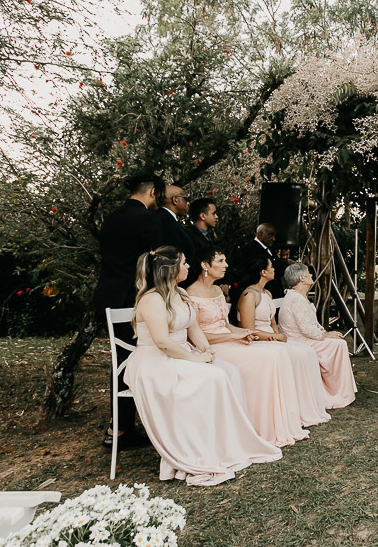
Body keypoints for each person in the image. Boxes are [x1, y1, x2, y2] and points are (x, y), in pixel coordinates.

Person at [123, 246, 282, 485]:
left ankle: (227, 443)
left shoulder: (181, 294)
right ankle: (200, 448)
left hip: (182, 353)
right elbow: (163, 342)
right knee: (213, 377)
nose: (188, 266)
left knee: (228, 370)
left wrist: (206, 350)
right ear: (170, 269)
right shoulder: (151, 299)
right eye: (184, 263)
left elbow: (194, 328)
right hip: (156, 361)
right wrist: (196, 359)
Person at [187, 248, 309, 447]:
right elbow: (194, 335)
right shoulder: (190, 294)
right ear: (205, 265)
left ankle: (273, 423)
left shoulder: (218, 290)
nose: (226, 265)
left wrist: (241, 332)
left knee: (276, 353)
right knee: (268, 357)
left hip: (228, 339)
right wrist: (232, 336)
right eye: (221, 260)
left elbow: (224, 323)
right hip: (209, 345)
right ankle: (257, 424)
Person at [95, 173, 165, 449]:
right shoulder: (148, 219)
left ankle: (120, 428)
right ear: (152, 193)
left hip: (109, 297)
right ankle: (142, 427)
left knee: (120, 361)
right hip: (135, 299)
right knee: (144, 357)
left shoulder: (111, 218)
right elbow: (158, 260)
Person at [237, 253, 331, 422]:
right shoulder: (248, 296)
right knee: (296, 354)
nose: (274, 269)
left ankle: (306, 406)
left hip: (273, 337)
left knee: (307, 353)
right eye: (270, 267)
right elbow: (248, 330)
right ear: (262, 272)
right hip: (258, 340)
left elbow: (273, 322)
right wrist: (275, 338)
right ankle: (289, 408)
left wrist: (278, 334)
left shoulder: (267, 294)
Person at [280, 262, 357, 408]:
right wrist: (326, 335)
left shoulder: (299, 297)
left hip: (305, 338)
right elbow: (306, 329)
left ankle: (339, 390)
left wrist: (325, 333)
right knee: (338, 345)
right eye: (309, 273)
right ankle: (335, 392)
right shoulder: (295, 299)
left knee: (338, 342)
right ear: (302, 278)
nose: (311, 275)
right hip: (298, 341)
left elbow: (313, 323)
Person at [157, 184, 197, 285]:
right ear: (175, 200)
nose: (188, 203)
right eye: (185, 198)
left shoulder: (168, 219)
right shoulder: (164, 220)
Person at [242, 223, 287, 299]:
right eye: (270, 235)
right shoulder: (251, 249)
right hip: (261, 295)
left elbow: (280, 265)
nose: (274, 239)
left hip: (274, 294)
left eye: (274, 235)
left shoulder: (269, 248)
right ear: (260, 234)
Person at [185, 198, 218, 286]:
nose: (216, 217)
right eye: (213, 213)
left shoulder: (207, 235)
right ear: (203, 216)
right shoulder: (190, 237)